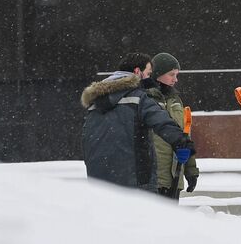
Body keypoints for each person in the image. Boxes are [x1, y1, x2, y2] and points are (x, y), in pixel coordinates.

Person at [82, 52, 194, 192]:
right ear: (137, 71)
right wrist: (181, 141)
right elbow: (161, 121)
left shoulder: (95, 102)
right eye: (148, 73)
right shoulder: (138, 98)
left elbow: (87, 142)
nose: (149, 78)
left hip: (99, 183)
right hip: (136, 183)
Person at [144, 52, 199, 200]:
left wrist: (191, 170)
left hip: (175, 175)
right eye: (171, 74)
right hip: (153, 178)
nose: (176, 79)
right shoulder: (145, 99)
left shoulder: (176, 100)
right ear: (157, 74)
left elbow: (184, 135)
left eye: (177, 74)